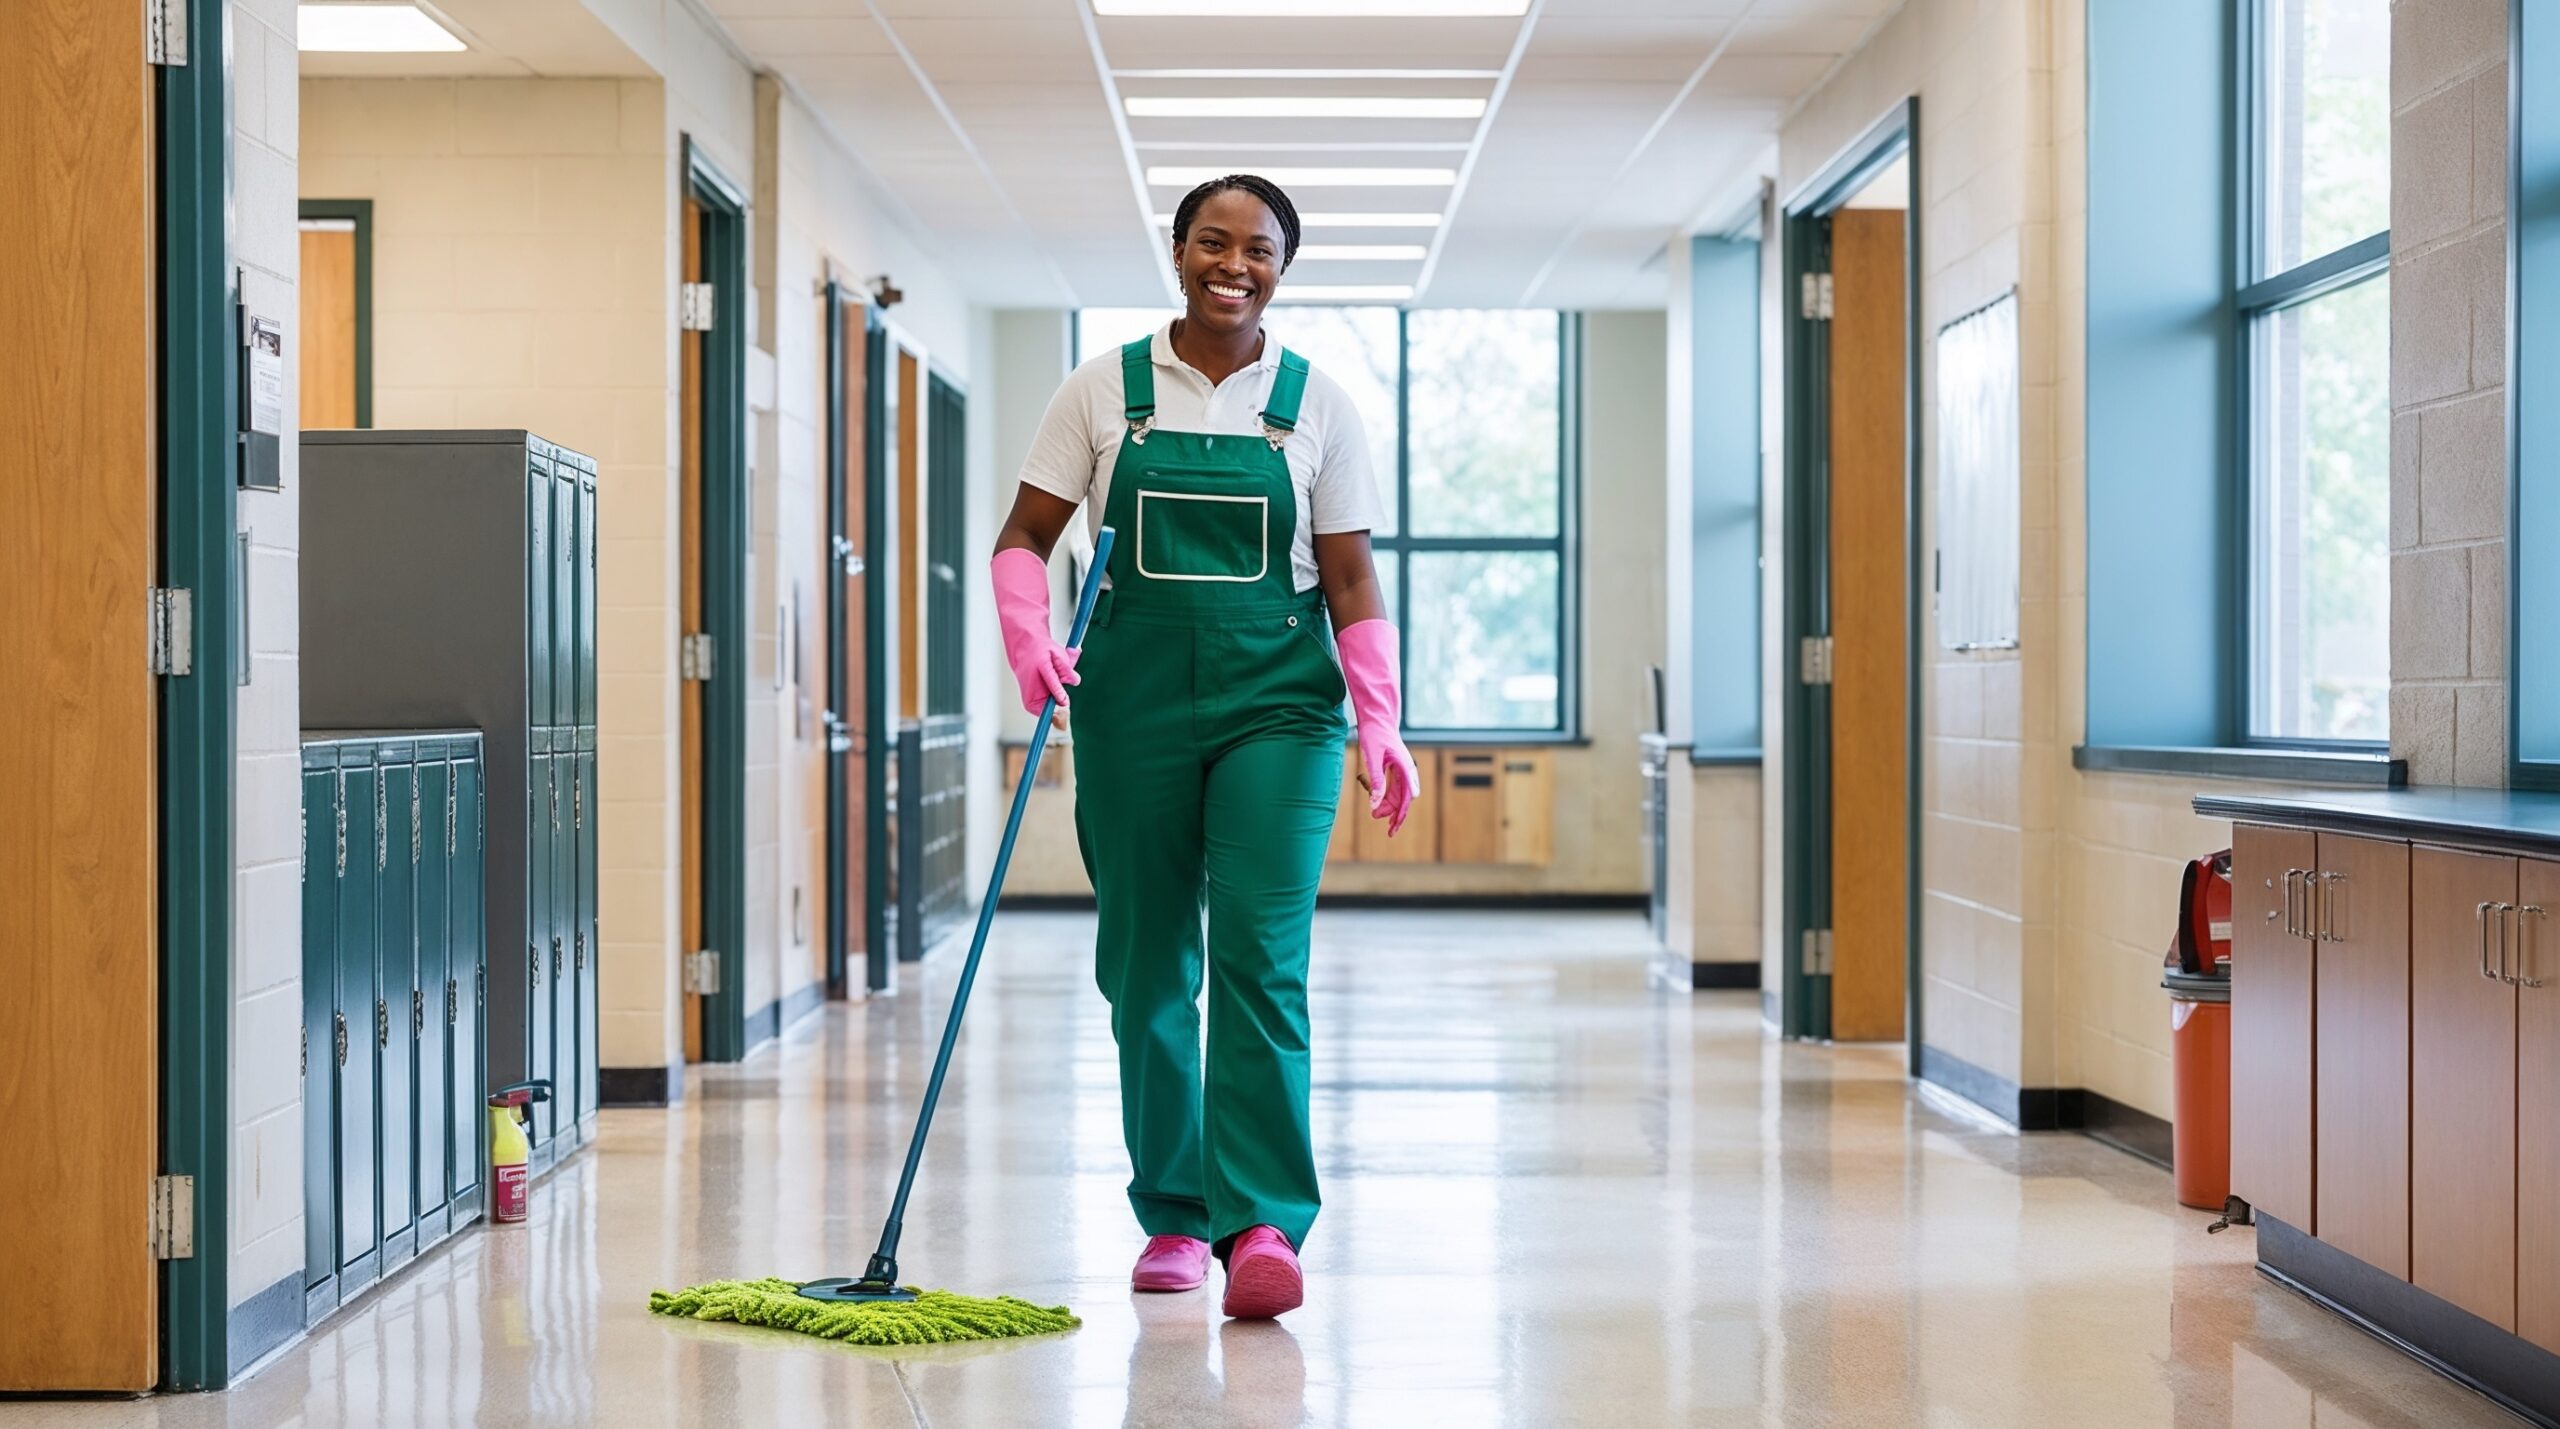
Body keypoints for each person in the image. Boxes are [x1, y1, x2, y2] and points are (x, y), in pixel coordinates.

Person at [990, 174, 1419, 1320]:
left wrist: (1379, 716)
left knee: (1259, 960)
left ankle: (1266, 1220)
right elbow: (1025, 536)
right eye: (1213, 242)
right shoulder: (1100, 390)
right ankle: (1176, 1215)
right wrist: (1029, 641)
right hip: (1130, 704)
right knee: (1145, 968)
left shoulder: (1315, 403)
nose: (1235, 263)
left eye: (1260, 248)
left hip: (1279, 701)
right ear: (1178, 252)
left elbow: (1348, 575)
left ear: (1285, 264)